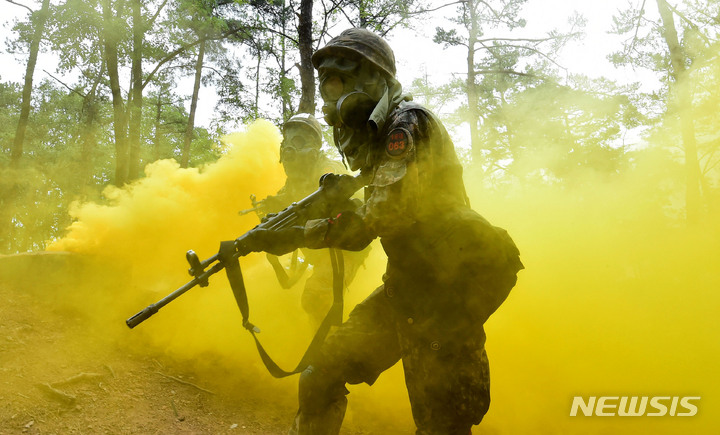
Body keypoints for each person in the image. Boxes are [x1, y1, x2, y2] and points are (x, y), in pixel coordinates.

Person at [245, 28, 523, 435]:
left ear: (374, 80)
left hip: (451, 290)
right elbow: (377, 201)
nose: (332, 95)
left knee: (441, 420)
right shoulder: (377, 141)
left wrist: (298, 234)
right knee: (319, 374)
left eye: (343, 81)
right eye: (328, 83)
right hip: (409, 284)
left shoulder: (405, 125)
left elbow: (380, 217)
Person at [253, 113, 368, 326]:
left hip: (345, 249)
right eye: (287, 141)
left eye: (299, 141)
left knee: (316, 296)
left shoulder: (328, 169)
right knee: (302, 300)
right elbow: (287, 201)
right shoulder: (293, 182)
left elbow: (332, 196)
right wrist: (273, 205)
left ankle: (330, 352)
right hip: (319, 248)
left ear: (314, 146)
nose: (290, 149)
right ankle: (320, 346)